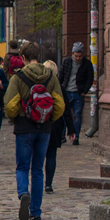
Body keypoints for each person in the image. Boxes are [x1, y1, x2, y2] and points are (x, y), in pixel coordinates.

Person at [4, 41, 65, 220]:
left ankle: (23, 193)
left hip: (24, 128)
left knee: (22, 166)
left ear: (22, 58)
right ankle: (36, 212)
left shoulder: (18, 77)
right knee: (38, 170)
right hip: (44, 128)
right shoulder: (50, 76)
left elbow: (10, 105)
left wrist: (16, 117)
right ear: (38, 56)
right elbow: (60, 104)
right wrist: (50, 118)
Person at [58, 42, 95, 145]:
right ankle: (62, 136)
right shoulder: (67, 62)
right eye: (76, 56)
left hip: (78, 93)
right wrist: (59, 88)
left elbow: (90, 78)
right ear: (72, 54)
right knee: (64, 114)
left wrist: (84, 91)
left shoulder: (87, 64)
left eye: (80, 56)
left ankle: (76, 137)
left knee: (77, 115)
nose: (78, 58)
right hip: (66, 92)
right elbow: (61, 75)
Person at [42, 59, 68, 194]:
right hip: (55, 123)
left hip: (39, 123)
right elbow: (66, 108)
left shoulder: (37, 86)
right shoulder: (59, 87)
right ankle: (48, 184)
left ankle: (37, 181)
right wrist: (72, 128)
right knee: (51, 155)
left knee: (39, 156)